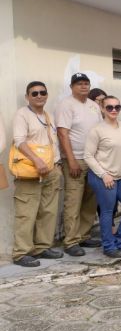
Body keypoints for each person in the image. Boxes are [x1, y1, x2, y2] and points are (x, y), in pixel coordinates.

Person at [11, 81, 63, 267]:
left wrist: (56, 165)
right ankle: (21, 252)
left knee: (48, 211)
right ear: (27, 97)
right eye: (34, 93)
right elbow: (19, 141)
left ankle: (42, 246)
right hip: (31, 171)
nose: (39, 96)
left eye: (42, 92)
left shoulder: (48, 116)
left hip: (51, 170)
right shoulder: (22, 115)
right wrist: (37, 160)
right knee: (26, 212)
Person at [84, 96, 121, 258]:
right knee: (108, 211)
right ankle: (109, 246)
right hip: (103, 176)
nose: (113, 110)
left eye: (117, 107)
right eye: (109, 107)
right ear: (102, 109)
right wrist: (103, 175)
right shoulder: (96, 130)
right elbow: (88, 156)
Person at [56, 73, 103, 256]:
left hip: (93, 159)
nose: (83, 87)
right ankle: (71, 241)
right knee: (73, 201)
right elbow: (62, 134)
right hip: (75, 159)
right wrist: (71, 160)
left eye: (86, 83)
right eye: (79, 84)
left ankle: (84, 235)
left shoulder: (93, 106)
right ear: (71, 87)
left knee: (90, 200)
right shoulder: (66, 105)